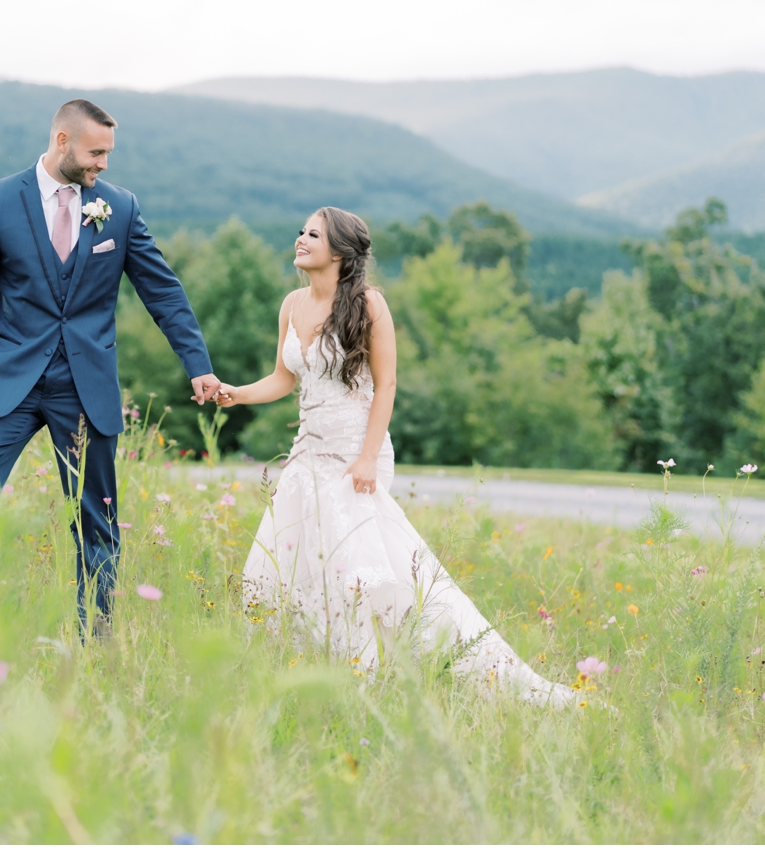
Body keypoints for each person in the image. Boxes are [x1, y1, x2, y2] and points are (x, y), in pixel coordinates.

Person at [213, 207, 574, 705]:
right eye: (301, 231)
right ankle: (320, 669)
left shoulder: (368, 304)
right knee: (301, 560)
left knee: (361, 567)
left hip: (357, 453)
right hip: (308, 454)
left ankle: (381, 670)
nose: (299, 239)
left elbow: (387, 385)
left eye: (312, 234)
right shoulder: (291, 304)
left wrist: (365, 459)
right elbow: (283, 379)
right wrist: (235, 393)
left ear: (338, 252)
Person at [0, 99, 220, 637]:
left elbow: (163, 291)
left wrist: (197, 365)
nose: (104, 165)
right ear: (62, 141)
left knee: (97, 516)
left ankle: (99, 637)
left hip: (85, 386)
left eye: (109, 153)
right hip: (8, 384)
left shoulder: (121, 206)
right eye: (96, 152)